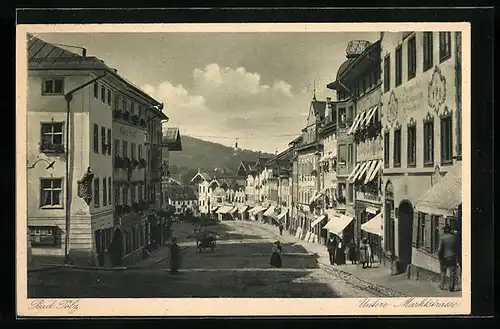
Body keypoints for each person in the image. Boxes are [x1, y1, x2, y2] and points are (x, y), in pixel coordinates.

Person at [438, 224, 459, 292]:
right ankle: (451, 287)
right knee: (452, 272)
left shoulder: (442, 238)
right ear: (450, 230)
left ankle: (442, 285)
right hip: (452, 256)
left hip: (444, 257)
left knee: (443, 271)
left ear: (444, 230)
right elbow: (457, 248)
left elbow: (439, 249)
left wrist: (440, 257)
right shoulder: (454, 237)